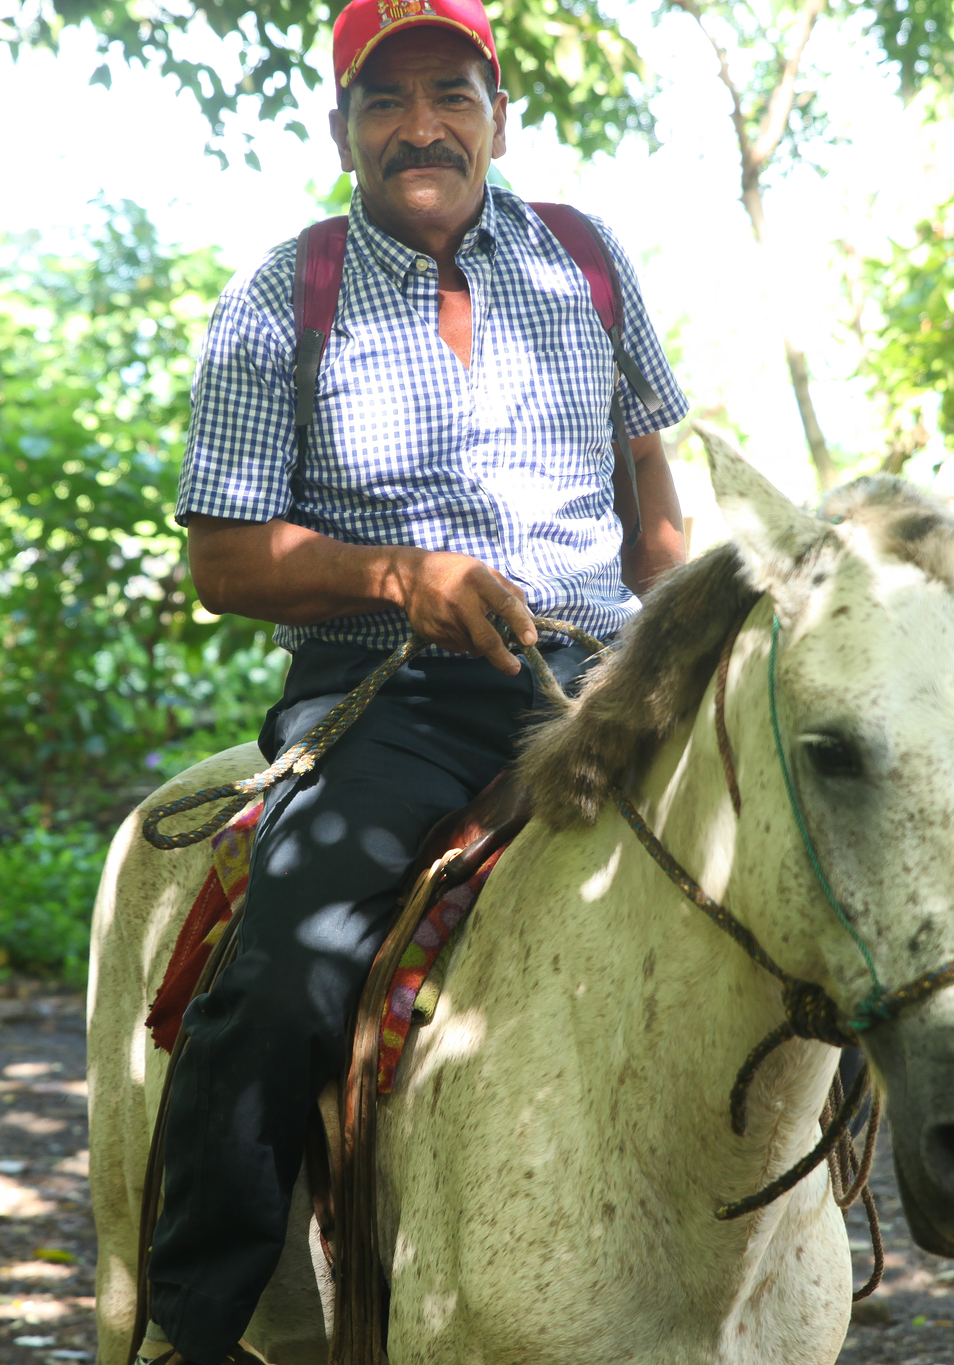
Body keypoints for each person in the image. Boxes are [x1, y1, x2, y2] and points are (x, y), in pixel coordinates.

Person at [144, 0, 689, 1358]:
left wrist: (686, 647)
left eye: (450, 93)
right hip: (393, 698)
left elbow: (648, 491)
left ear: (499, 116)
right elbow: (224, 558)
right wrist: (400, 576)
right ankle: (191, 1325)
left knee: (804, 867)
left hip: (597, 675)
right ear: (341, 130)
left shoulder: (587, 260)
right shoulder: (284, 295)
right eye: (385, 103)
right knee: (285, 971)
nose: (420, 126)